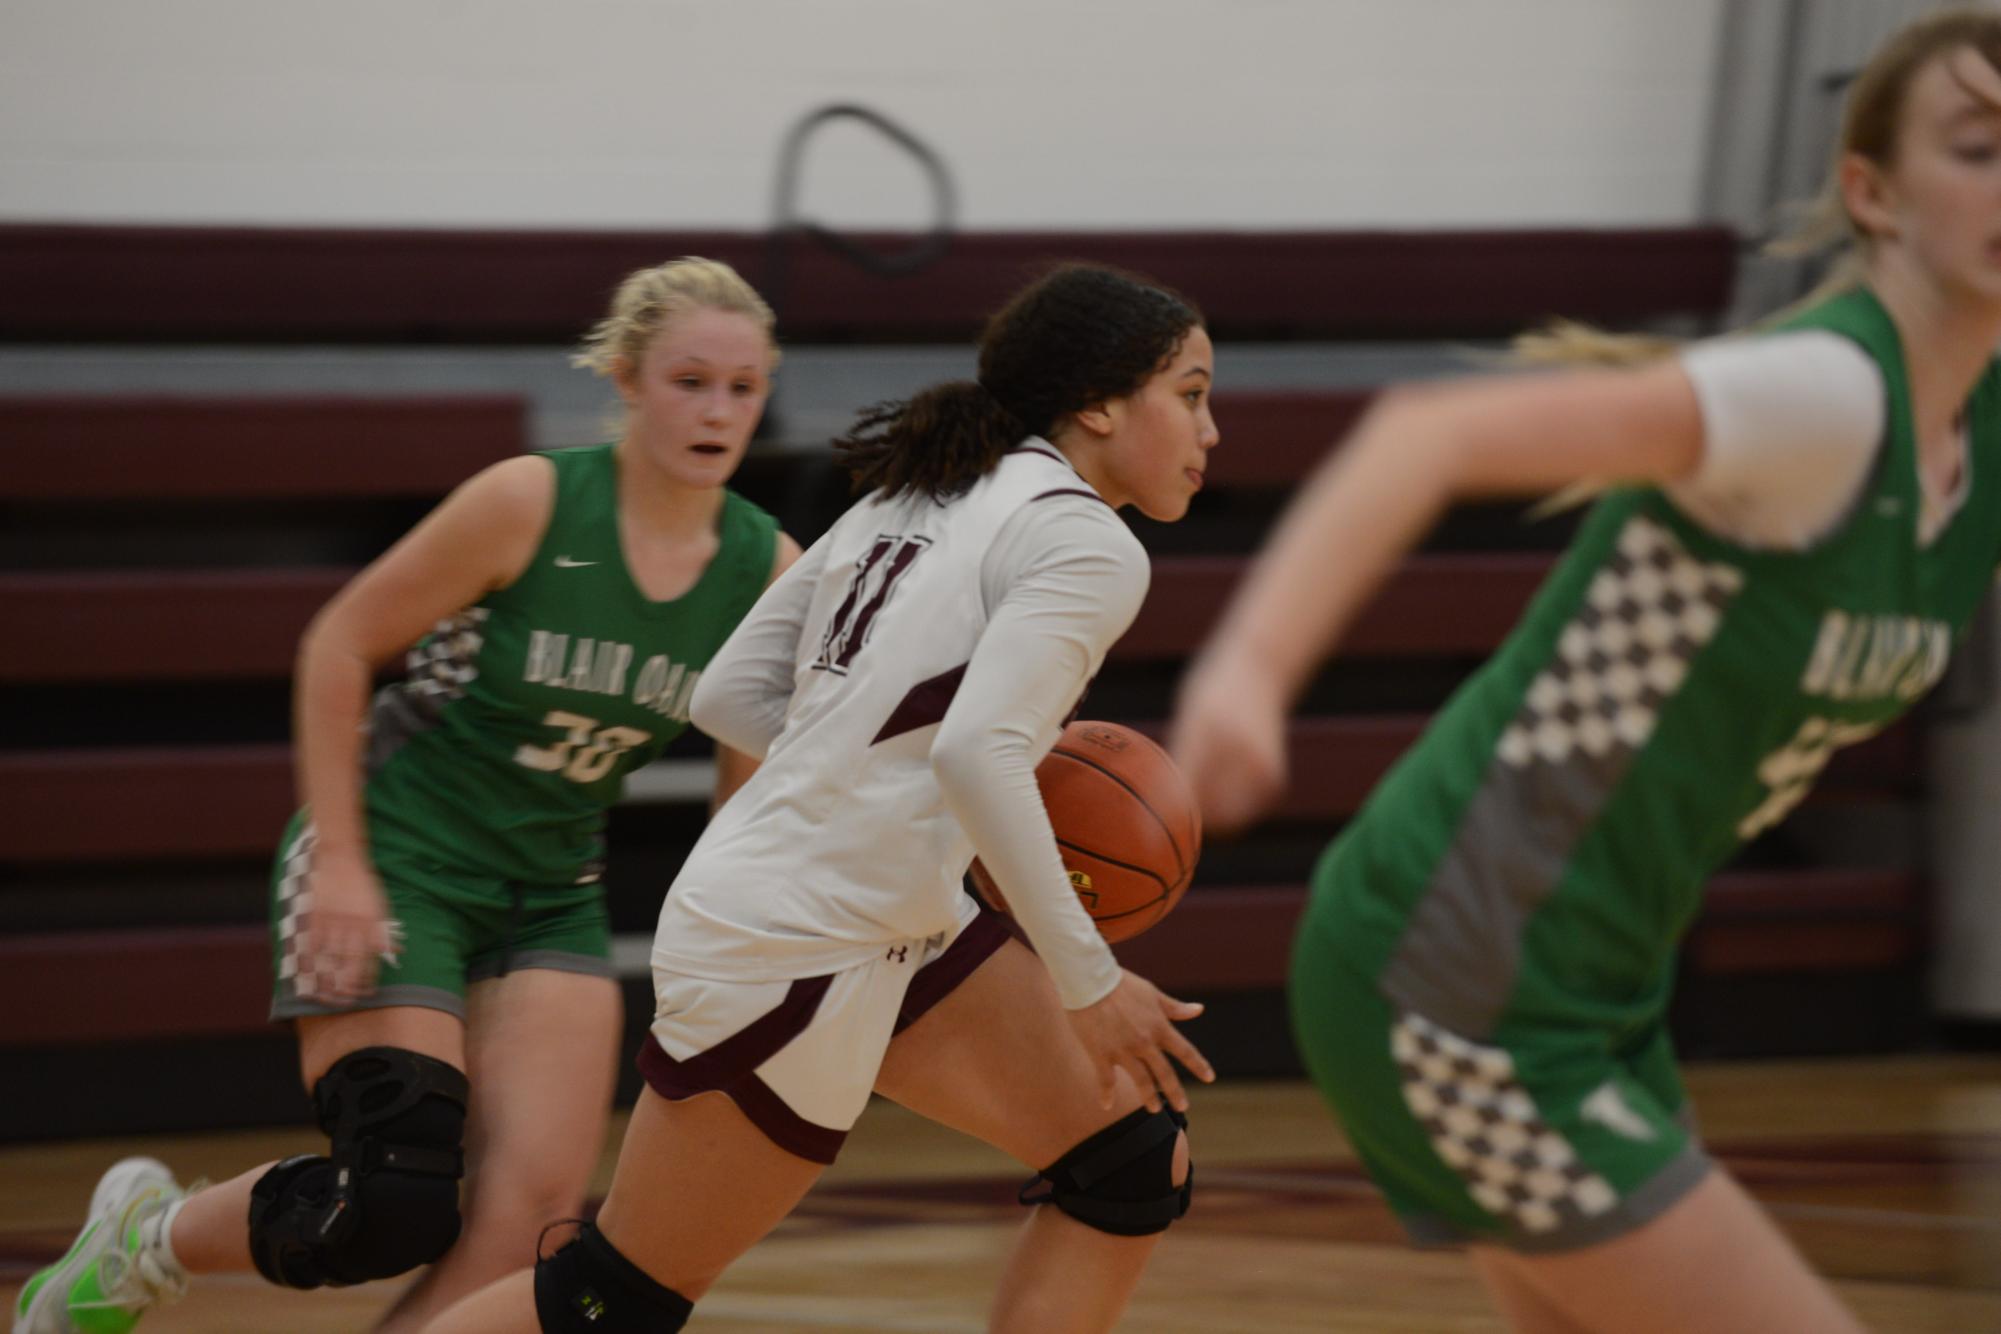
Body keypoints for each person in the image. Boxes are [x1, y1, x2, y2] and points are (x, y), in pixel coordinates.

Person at [1169, 10, 2001, 1333]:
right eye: (1979, 148)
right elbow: (1421, 435)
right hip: (1454, 976)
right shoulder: (1822, 397)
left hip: (1585, 989)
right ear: (1873, 194)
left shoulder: (1977, 423)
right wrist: (1246, 674)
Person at [422, 261, 1221, 1334]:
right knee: (608, 1300)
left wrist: (869, 783)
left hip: (876, 914)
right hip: (795, 942)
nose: (1211, 429)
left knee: (1127, 1158)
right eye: (1193, 393)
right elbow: (980, 756)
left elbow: (726, 694)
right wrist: (1089, 977)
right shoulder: (1087, 540)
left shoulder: (927, 487)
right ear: (1099, 403)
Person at [15, 257, 802, 1334]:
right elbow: (338, 641)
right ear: (625, 378)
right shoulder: (530, 500)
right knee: (390, 1200)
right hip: (401, 859)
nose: (717, 410)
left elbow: (741, 811)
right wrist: (339, 860)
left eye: (741, 387)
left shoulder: (767, 570)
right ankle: (143, 1239)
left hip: (552, 889)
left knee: (526, 1230)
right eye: (689, 380)